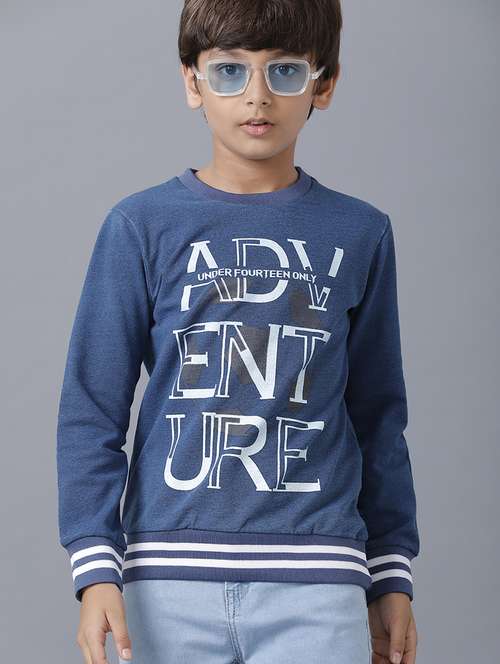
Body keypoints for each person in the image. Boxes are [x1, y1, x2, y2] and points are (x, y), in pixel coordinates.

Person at [56, 1, 420, 662]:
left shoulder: (360, 233)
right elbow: (91, 409)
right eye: (229, 71)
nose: (257, 96)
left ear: (324, 83)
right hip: (166, 579)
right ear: (192, 82)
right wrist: (95, 566)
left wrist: (390, 573)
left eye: (285, 71)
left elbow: (377, 417)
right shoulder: (140, 226)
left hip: (319, 580)